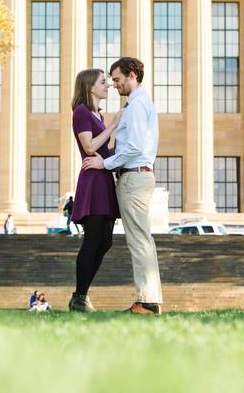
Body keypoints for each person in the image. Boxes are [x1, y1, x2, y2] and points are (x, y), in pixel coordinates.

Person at [81, 57, 162, 315]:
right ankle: (150, 299)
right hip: (137, 176)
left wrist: (104, 163)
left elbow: (134, 148)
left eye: (116, 79)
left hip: (134, 177)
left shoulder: (137, 106)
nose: (114, 85)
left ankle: (147, 300)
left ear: (131, 76)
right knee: (142, 240)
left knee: (138, 241)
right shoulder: (137, 104)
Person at [68, 68, 122, 313]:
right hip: (92, 182)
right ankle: (79, 297)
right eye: (103, 82)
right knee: (92, 241)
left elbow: (105, 152)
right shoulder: (81, 112)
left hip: (105, 179)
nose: (108, 85)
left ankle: (82, 295)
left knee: (106, 241)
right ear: (90, 86)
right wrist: (112, 126)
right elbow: (89, 147)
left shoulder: (96, 115)